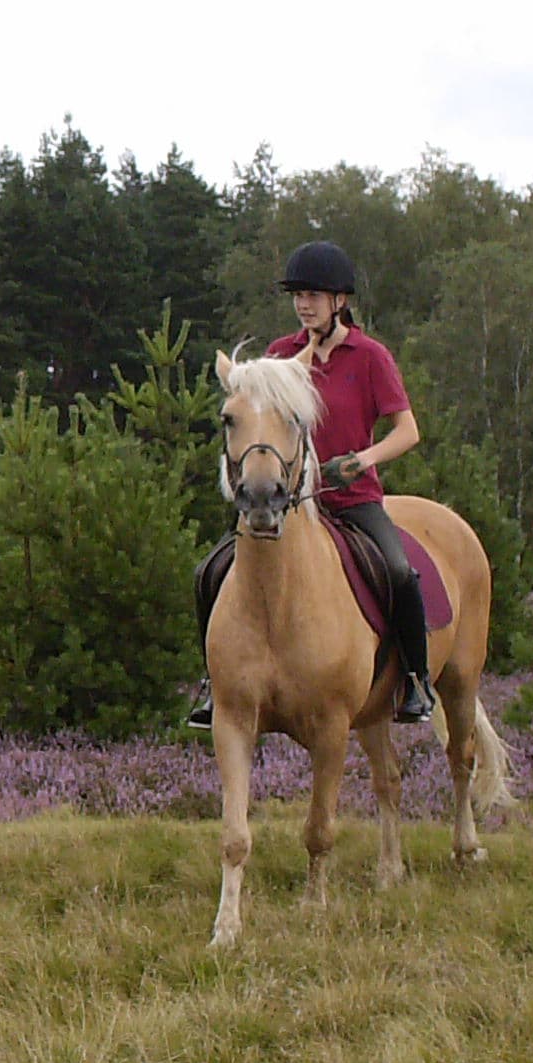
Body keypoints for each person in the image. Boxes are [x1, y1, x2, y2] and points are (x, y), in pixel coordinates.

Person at [186, 238, 436, 728]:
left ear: (340, 301)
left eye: (313, 295)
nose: (303, 304)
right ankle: (216, 685)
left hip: (352, 501)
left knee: (400, 573)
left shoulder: (370, 357)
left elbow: (409, 431)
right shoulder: (281, 356)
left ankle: (414, 680)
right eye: (298, 295)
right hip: (289, 505)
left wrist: (362, 461)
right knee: (207, 573)